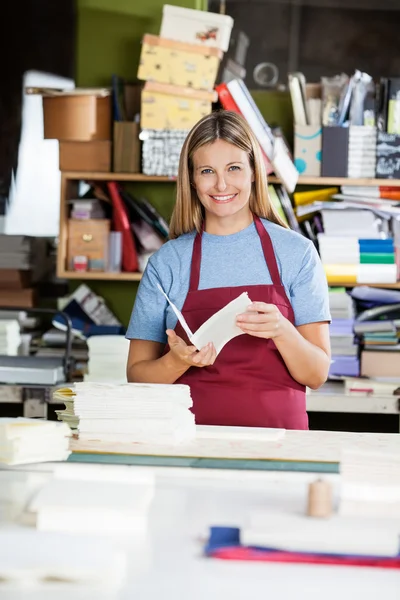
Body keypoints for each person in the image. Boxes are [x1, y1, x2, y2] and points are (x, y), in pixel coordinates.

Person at [126, 111, 331, 429]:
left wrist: (282, 331)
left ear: (254, 171)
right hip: (185, 444)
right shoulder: (168, 262)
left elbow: (316, 375)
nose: (221, 184)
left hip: (281, 447)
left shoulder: (296, 254)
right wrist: (175, 361)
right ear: (192, 179)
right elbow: (137, 377)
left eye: (234, 168)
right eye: (207, 171)